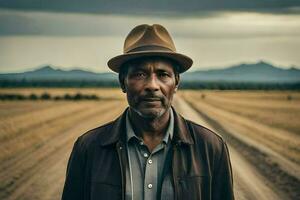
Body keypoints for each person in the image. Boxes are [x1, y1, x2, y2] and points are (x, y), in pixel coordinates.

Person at [62, 24, 234, 200]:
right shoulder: (89, 148)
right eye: (139, 74)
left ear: (176, 82)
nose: (152, 86)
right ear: (123, 82)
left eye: (163, 74)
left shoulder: (211, 147)